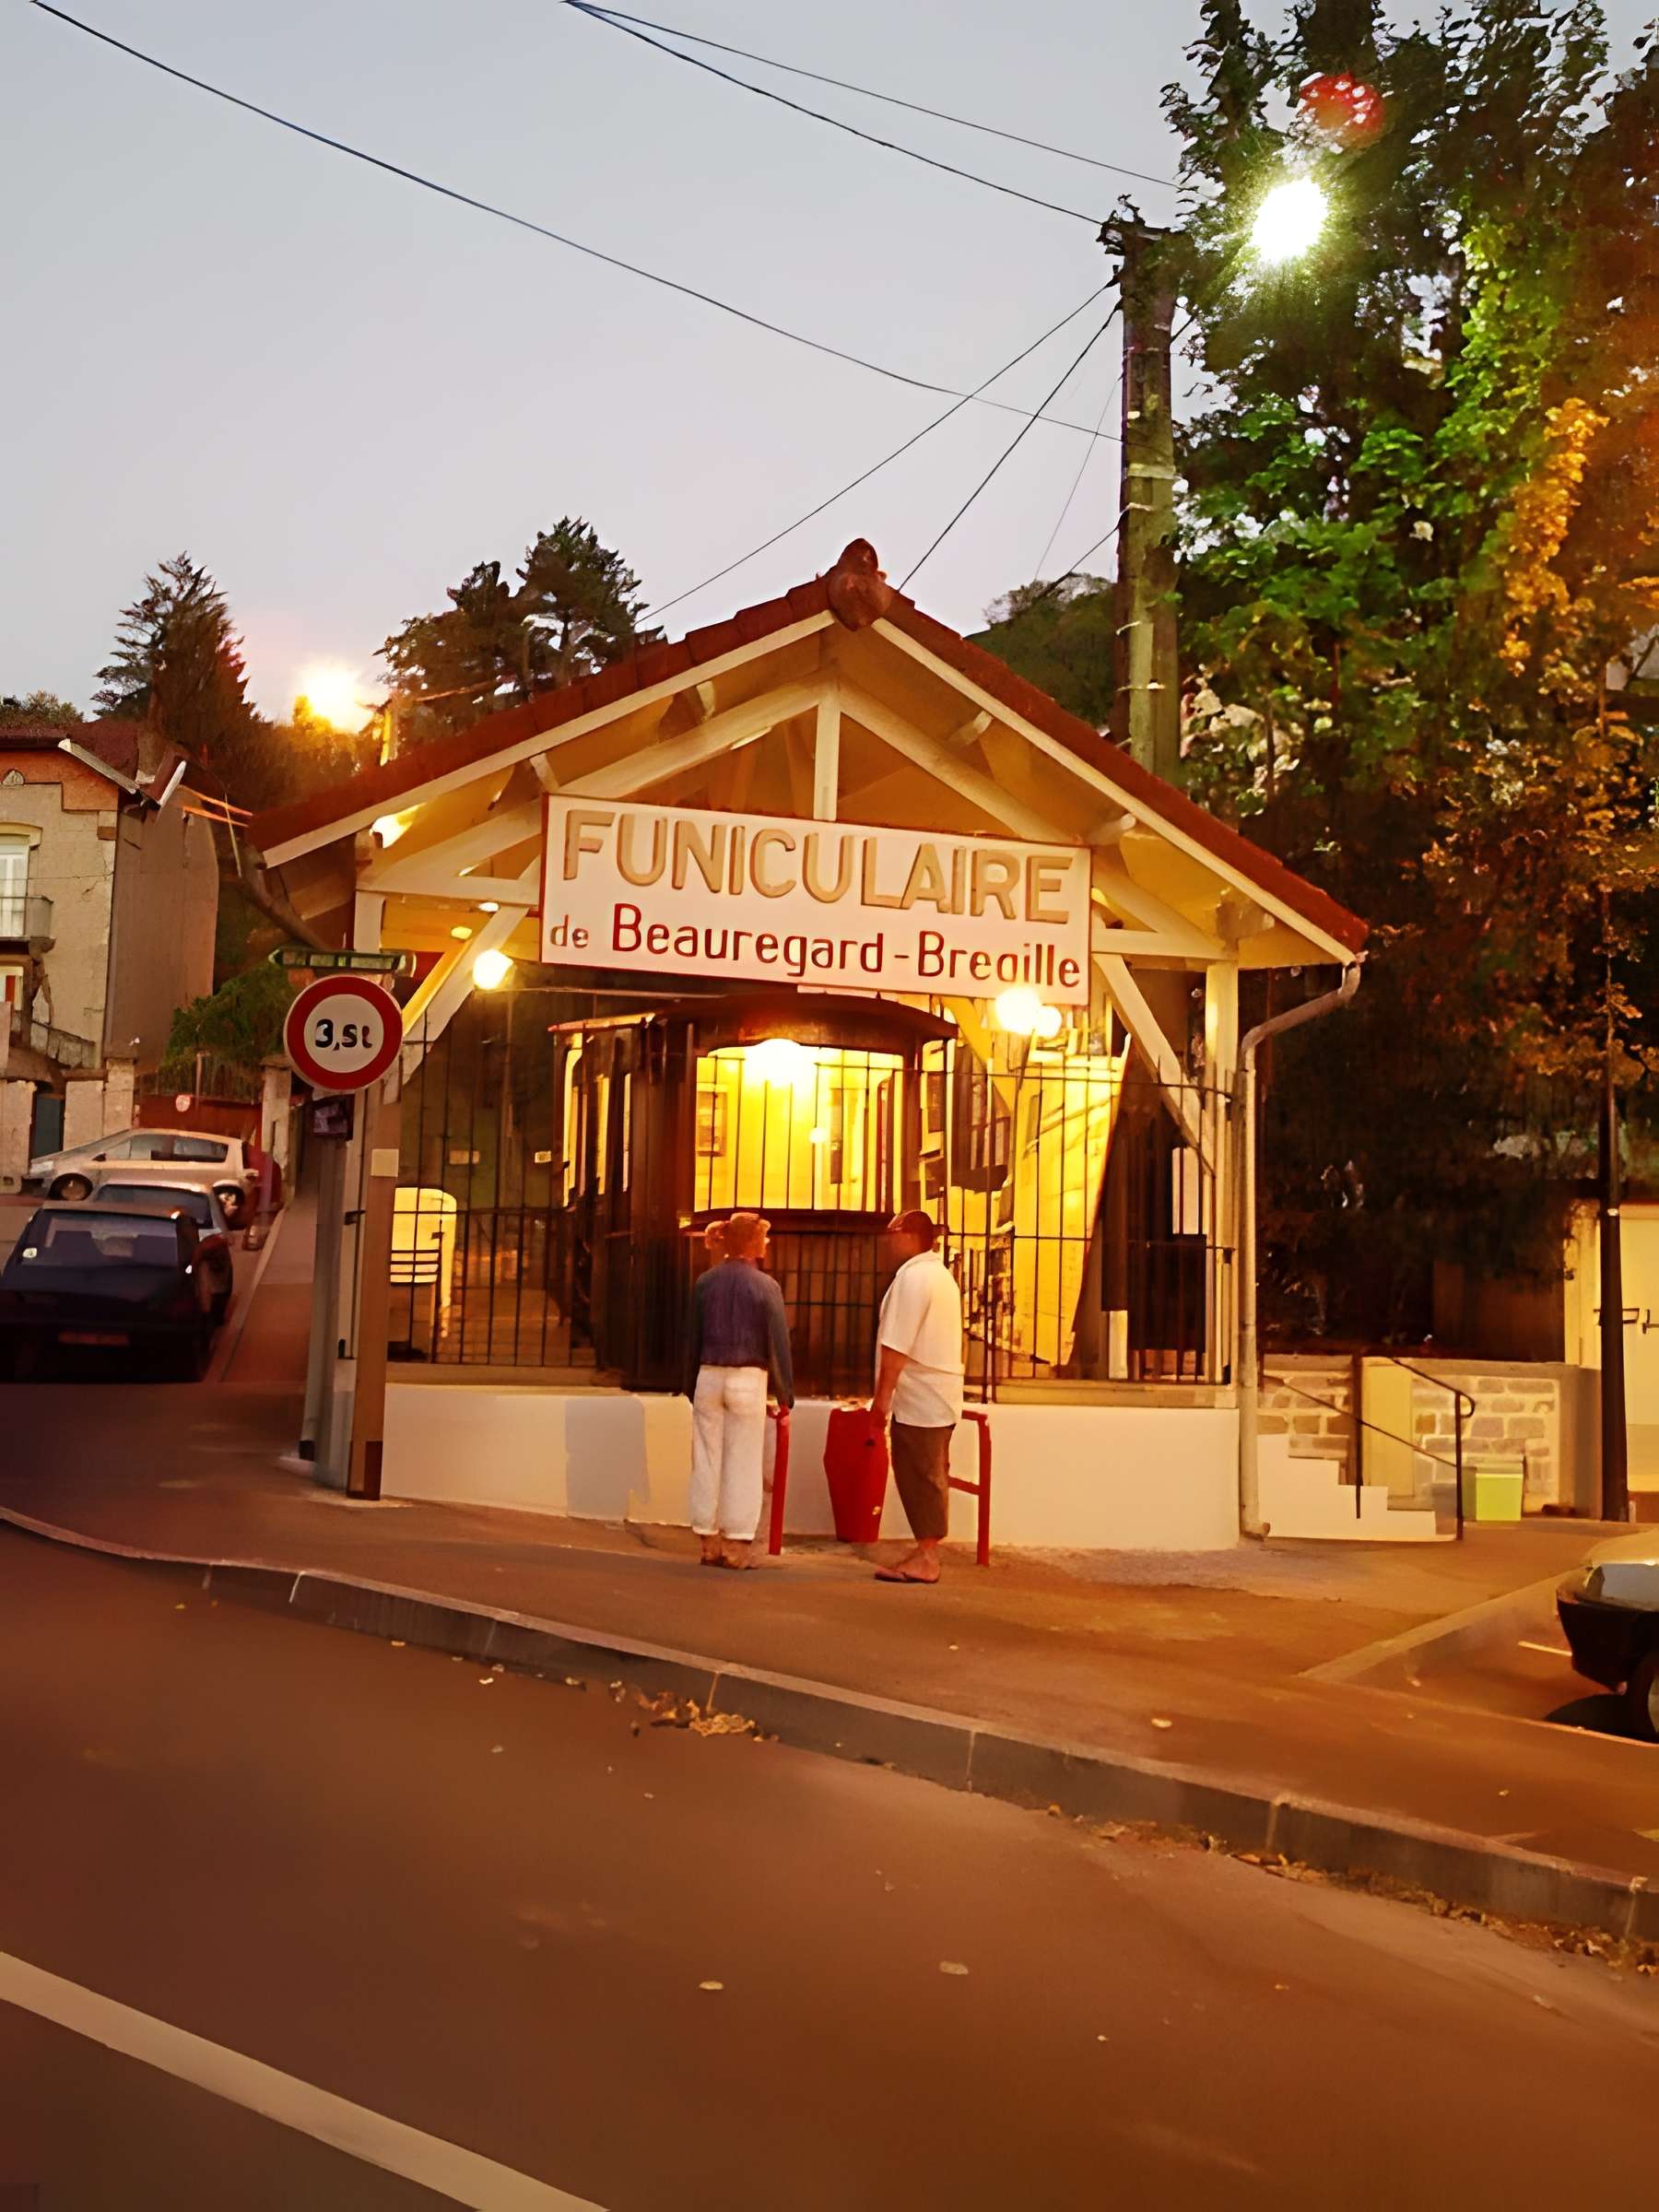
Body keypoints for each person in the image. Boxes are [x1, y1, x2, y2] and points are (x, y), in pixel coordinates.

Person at [684, 1214, 794, 1570]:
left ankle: (707, 1539)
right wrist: (784, 1393)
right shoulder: (766, 1287)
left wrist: (690, 1384)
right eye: (764, 1237)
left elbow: (693, 1337)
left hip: (709, 1375)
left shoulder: (705, 1283)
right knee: (743, 1460)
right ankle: (736, 1546)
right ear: (752, 1243)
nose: (768, 1243)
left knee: (706, 1457)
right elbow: (778, 1342)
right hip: (748, 1378)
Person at [870, 1209, 964, 1586]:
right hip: (938, 1394)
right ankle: (925, 1550)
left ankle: (927, 1557)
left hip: (920, 1396)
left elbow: (896, 1346)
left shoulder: (913, 1279)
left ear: (909, 1235)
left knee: (920, 1474)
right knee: (928, 1472)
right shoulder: (939, 1276)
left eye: (893, 1233)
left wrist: (881, 1400)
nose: (889, 1240)